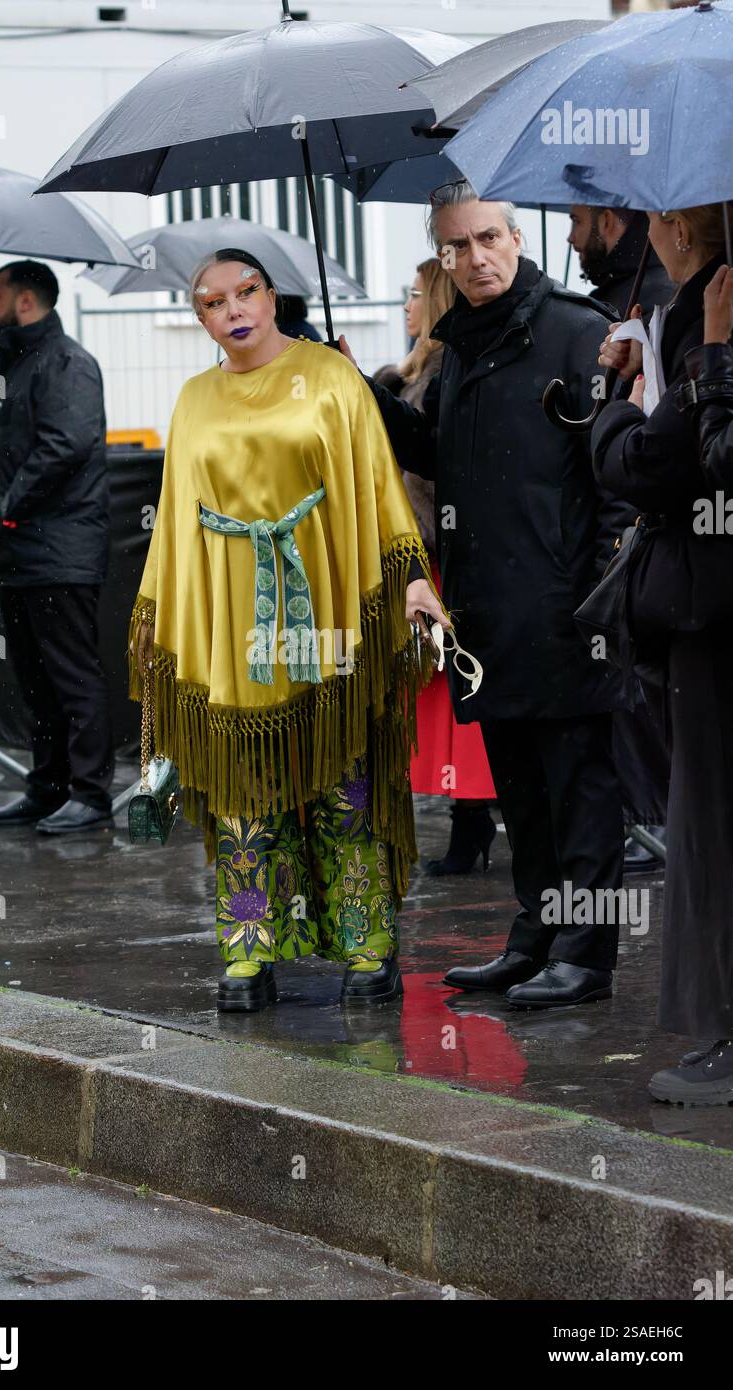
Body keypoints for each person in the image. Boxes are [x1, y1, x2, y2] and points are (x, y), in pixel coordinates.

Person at [130, 247, 449, 1013]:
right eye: (213, 302)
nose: (233, 310)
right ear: (198, 317)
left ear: (272, 297)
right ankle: (249, 950)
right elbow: (175, 525)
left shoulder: (333, 378)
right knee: (247, 792)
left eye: (246, 292)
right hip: (234, 617)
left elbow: (379, 489)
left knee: (346, 780)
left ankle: (368, 943)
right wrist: (162, 627)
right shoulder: (194, 398)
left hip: (329, 606)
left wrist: (410, 581)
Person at [341, 179, 632, 1009]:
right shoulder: (460, 341)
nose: (474, 259)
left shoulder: (578, 332)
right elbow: (442, 454)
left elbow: (611, 473)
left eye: (486, 240)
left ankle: (588, 955)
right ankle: (536, 940)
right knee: (523, 796)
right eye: (455, 247)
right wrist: (367, 394)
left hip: (569, 609)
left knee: (581, 791)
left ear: (516, 237)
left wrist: (602, 593)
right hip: (487, 617)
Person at [592, 205, 733, 1104]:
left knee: (712, 827)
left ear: (680, 224)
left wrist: (688, 369)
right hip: (705, 610)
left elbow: (663, 463)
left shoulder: (707, 314)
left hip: (714, 610)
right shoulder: (688, 312)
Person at [0, 260, 114, 834]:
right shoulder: (21, 362)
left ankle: (89, 794)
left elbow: (66, 445)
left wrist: (10, 506)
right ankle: (48, 788)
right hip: (24, 553)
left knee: (72, 677)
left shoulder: (68, 362)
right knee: (37, 681)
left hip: (58, 550)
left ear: (26, 301)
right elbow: (17, 441)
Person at [373, 258, 496, 875]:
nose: (407, 306)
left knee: (454, 691)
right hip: (420, 553)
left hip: (440, 554)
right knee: (436, 694)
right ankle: (466, 818)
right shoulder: (410, 371)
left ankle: (472, 820)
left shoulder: (447, 372)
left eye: (416, 295)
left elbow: (427, 455)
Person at [569, 204, 674, 872]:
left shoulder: (648, 306)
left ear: (611, 222)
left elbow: (633, 449)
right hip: (644, 538)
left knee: (639, 694)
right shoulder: (630, 300)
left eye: (579, 223)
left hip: (641, 540)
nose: (573, 238)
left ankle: (653, 821)